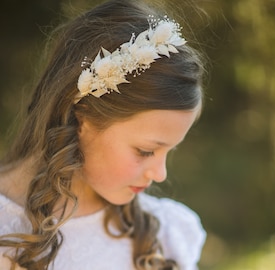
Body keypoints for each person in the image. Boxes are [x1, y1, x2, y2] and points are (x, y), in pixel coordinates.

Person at [0, 0, 206, 269]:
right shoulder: (8, 231)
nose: (160, 173)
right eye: (145, 151)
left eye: (170, 151)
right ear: (80, 116)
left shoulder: (166, 233)